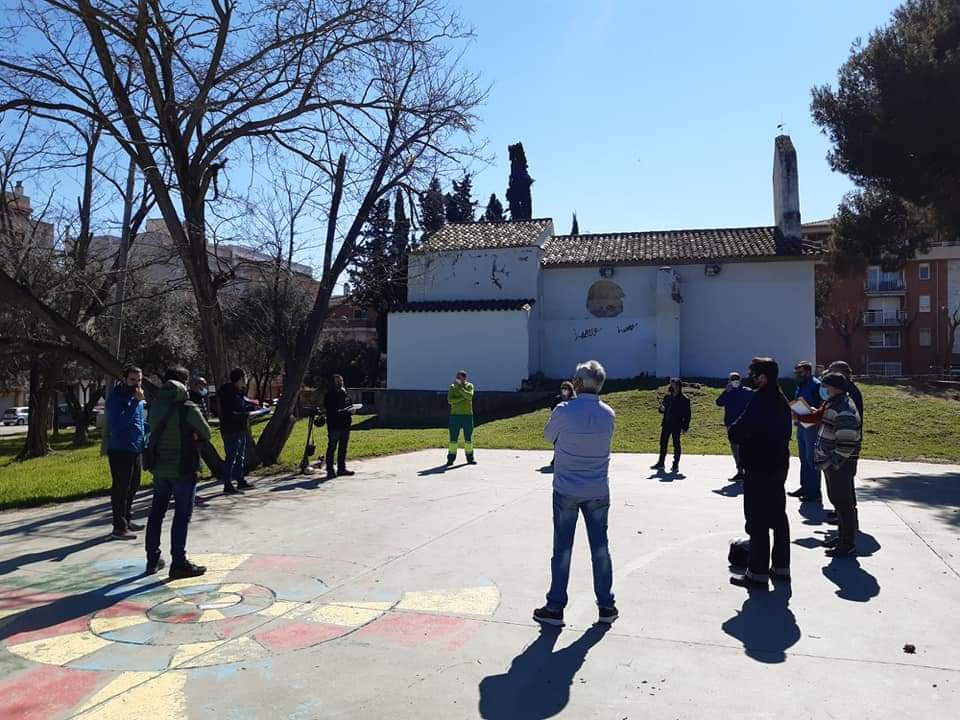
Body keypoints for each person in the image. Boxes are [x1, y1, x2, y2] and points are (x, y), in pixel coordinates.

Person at [535, 360, 618, 626]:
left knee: (562, 549)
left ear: (579, 383)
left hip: (567, 489)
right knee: (600, 548)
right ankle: (606, 605)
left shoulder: (563, 410)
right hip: (597, 489)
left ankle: (555, 607)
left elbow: (549, 436)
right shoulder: (608, 414)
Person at [728, 357, 793, 589]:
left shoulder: (760, 399)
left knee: (757, 520)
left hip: (758, 466)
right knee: (778, 516)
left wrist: (741, 434)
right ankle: (781, 567)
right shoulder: (782, 399)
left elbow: (737, 430)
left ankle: (757, 573)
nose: (751, 379)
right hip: (778, 465)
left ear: (763, 377)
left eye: (753, 374)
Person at [144, 366, 212, 578]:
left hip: (160, 468)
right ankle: (179, 562)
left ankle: (152, 559)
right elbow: (207, 432)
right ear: (184, 383)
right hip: (184, 468)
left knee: (156, 513)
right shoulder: (188, 407)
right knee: (182, 515)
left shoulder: (156, 406)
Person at [813, 373, 863, 557]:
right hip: (833, 463)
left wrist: (833, 463)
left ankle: (847, 543)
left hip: (840, 464)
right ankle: (842, 536)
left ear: (835, 388)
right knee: (838, 502)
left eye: (825, 386)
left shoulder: (844, 409)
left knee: (843, 503)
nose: (823, 389)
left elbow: (847, 443)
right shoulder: (834, 403)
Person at [104, 366, 147, 540]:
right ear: (124, 379)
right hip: (120, 449)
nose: (136, 384)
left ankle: (127, 519)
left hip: (135, 448)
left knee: (133, 486)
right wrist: (136, 402)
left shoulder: (136, 397)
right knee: (121, 488)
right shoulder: (116, 397)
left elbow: (138, 422)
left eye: (139, 380)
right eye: (132, 380)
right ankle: (119, 527)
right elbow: (119, 423)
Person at [789, 360, 822, 503]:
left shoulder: (816, 385)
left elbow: (820, 406)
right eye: (796, 372)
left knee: (811, 458)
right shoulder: (800, 385)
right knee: (803, 457)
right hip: (801, 424)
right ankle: (805, 487)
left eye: (800, 372)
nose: (797, 375)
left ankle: (814, 491)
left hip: (812, 426)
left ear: (808, 371)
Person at [218, 368, 254, 494]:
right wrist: (246, 414)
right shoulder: (228, 393)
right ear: (240, 379)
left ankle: (240, 480)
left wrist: (249, 408)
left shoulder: (238, 393)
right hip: (231, 429)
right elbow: (230, 413)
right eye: (244, 378)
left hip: (240, 428)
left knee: (240, 456)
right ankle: (227, 484)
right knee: (231, 457)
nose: (245, 381)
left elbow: (240, 407)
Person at [715, 371, 753, 481]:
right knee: (735, 448)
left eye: (736, 378)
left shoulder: (747, 391)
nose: (734, 381)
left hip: (746, 424)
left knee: (746, 447)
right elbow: (719, 402)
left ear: (740, 380)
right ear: (729, 381)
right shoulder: (728, 392)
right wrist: (726, 392)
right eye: (732, 379)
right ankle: (740, 471)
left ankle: (749, 471)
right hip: (731, 424)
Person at [651, 377, 691, 473]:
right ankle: (661, 463)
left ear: (678, 386)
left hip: (677, 425)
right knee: (663, 444)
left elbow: (688, 415)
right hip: (666, 424)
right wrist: (661, 409)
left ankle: (675, 464)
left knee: (676, 445)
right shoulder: (668, 397)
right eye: (671, 385)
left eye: (674, 385)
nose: (672, 387)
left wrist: (685, 427)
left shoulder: (684, 399)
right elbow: (663, 410)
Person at [324, 374, 357, 480]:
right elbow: (331, 409)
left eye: (341, 380)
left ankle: (341, 468)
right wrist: (343, 410)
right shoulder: (330, 395)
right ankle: (330, 470)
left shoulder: (345, 393)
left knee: (343, 448)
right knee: (332, 448)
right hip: (334, 424)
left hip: (345, 423)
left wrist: (352, 410)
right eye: (337, 381)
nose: (340, 382)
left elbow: (349, 404)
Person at [447, 370, 476, 466]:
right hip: (455, 416)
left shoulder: (470, 386)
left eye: (459, 377)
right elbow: (450, 400)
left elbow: (470, 396)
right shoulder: (452, 387)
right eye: (456, 377)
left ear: (464, 378)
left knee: (468, 438)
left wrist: (461, 390)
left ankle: (470, 458)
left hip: (467, 416)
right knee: (453, 439)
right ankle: (450, 459)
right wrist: (462, 398)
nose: (457, 379)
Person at [188, 377, 209, 506]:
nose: (204, 388)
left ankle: (192, 491)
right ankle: (190, 493)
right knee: (193, 466)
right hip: (194, 437)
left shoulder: (200, 398)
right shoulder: (191, 399)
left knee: (197, 465)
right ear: (195, 385)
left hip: (200, 436)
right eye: (202, 385)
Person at [548, 381, 577, 468]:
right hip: (558, 425)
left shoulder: (574, 400)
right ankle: (556, 457)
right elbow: (553, 410)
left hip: (570, 425)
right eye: (562, 388)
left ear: (570, 390)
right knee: (557, 442)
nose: (564, 390)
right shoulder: (557, 399)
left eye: (566, 388)